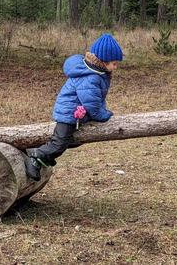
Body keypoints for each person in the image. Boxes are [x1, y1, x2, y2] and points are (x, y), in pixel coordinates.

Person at [24, 33, 123, 180]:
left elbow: (97, 98)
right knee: (60, 142)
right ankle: (36, 156)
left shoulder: (98, 72)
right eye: (114, 63)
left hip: (77, 113)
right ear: (103, 61)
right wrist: (103, 115)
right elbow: (92, 103)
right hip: (68, 112)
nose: (116, 67)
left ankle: (43, 155)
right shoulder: (91, 76)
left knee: (75, 141)